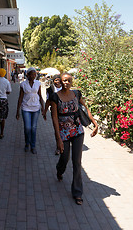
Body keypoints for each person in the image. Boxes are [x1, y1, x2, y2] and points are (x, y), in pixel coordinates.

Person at [49, 73, 98, 205]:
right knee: (64, 158)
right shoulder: (55, 97)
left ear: (71, 82)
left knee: (77, 162)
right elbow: (54, 118)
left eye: (69, 81)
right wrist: (58, 138)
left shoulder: (76, 94)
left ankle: (77, 192)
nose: (66, 83)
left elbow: (85, 108)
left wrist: (95, 123)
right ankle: (59, 170)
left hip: (77, 131)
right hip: (63, 132)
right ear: (60, 81)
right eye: (64, 80)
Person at [16, 67, 44, 154]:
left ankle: (33, 146)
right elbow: (20, 97)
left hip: (36, 108)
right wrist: (17, 111)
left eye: (35, 74)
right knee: (27, 127)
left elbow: (40, 95)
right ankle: (27, 143)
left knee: (33, 128)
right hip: (26, 108)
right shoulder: (23, 84)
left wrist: (43, 107)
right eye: (32, 74)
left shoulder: (38, 83)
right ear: (28, 75)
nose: (34, 76)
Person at [42, 74, 62, 155]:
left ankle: (64, 144)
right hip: (54, 112)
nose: (57, 82)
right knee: (57, 129)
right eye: (55, 80)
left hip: (64, 112)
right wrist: (45, 111)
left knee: (63, 128)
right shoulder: (50, 89)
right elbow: (48, 101)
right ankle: (58, 147)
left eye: (58, 80)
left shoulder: (64, 88)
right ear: (53, 81)